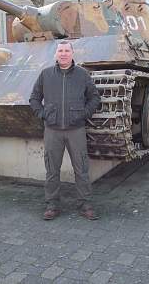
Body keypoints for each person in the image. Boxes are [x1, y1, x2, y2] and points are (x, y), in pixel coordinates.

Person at [29, 41, 101, 221]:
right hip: (53, 130)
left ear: (72, 53)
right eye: (60, 51)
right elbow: (34, 98)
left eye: (66, 51)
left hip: (76, 130)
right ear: (56, 54)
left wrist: (83, 114)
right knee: (52, 170)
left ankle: (85, 204)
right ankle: (52, 204)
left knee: (82, 168)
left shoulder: (82, 75)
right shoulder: (46, 75)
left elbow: (94, 98)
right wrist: (43, 114)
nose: (63, 54)